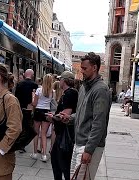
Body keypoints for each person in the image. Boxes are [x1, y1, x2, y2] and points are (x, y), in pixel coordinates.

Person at [62, 52, 111, 180]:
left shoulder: (100, 90)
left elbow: (99, 123)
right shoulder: (84, 87)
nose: (81, 71)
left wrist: (89, 150)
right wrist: (69, 118)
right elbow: (82, 113)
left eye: (84, 68)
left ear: (94, 68)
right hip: (78, 143)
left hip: (88, 146)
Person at [47, 71, 78, 180]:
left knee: (62, 164)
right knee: (57, 161)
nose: (59, 81)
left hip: (65, 135)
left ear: (64, 80)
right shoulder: (70, 92)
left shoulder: (69, 93)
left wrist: (53, 117)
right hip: (63, 134)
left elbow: (66, 115)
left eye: (60, 79)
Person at [31, 74, 54, 162]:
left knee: (36, 133)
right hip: (47, 112)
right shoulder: (52, 91)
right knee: (43, 134)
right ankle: (44, 155)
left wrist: (33, 96)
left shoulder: (39, 90)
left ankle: (35, 153)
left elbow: (34, 103)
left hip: (38, 111)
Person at [15, 69, 38, 153]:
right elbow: (35, 98)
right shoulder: (35, 85)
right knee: (27, 125)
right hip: (29, 108)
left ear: (25, 74)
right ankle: (23, 143)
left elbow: (16, 97)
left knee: (20, 124)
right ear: (32, 75)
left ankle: (18, 141)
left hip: (20, 107)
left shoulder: (19, 84)